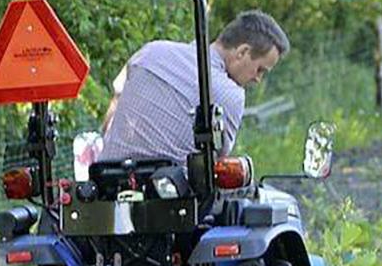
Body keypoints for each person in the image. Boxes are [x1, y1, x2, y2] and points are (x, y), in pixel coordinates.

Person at [99, 10, 289, 165]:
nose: (257, 79)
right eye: (260, 70)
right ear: (243, 52)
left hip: (106, 182)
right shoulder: (230, 95)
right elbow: (216, 165)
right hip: (169, 201)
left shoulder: (150, 51)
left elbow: (111, 116)